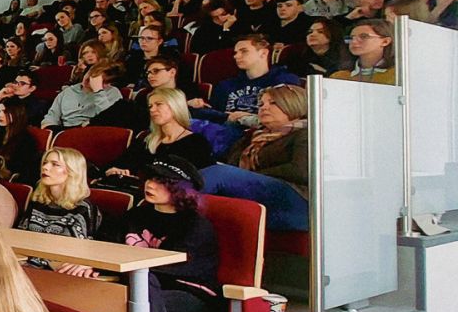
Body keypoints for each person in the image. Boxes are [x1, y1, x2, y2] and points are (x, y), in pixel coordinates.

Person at [109, 158, 221, 312]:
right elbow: (106, 247)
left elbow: (174, 269)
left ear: (180, 189)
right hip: (141, 289)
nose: (150, 185)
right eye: (149, 178)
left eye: (161, 182)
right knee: (130, 287)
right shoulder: (135, 216)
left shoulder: (195, 226)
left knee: (143, 279)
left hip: (193, 298)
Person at [202, 84, 310, 231]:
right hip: (260, 198)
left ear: (294, 105)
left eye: (273, 103)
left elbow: (300, 171)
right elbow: (231, 163)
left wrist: (251, 176)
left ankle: (172, 209)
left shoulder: (306, 134)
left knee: (218, 174)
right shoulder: (254, 136)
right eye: (261, 104)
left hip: (296, 203)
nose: (264, 108)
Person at [16, 147, 105, 273]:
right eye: (45, 163)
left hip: (60, 270)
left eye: (55, 164)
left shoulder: (83, 209)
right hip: (28, 264)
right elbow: (21, 237)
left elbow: (81, 253)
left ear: (72, 171)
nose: (45, 168)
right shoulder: (38, 201)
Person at [104, 88, 214, 183]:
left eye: (159, 104)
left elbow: (199, 180)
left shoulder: (197, 143)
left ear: (175, 106)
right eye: (150, 106)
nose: (152, 109)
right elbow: (120, 164)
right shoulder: (147, 140)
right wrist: (115, 171)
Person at [42, 62, 123, 129]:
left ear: (106, 83)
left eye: (96, 78)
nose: (88, 79)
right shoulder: (68, 91)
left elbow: (109, 120)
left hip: (92, 131)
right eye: (90, 73)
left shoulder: (113, 93)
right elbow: (52, 116)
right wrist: (47, 126)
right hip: (66, 131)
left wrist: (98, 91)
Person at [0, 99, 42, 185]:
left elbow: (25, 170)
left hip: (10, 182)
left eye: (5, 112)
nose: (0, 115)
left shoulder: (27, 141)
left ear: (16, 113)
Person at [330, 18, 396, 84]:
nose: (354, 41)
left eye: (364, 36)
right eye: (351, 38)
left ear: (385, 41)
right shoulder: (340, 76)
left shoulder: (398, 75)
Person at [283, 19, 348, 78]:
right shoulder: (299, 56)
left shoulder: (342, 58)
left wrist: (324, 72)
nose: (312, 35)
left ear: (332, 35)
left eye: (320, 32)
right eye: (310, 32)